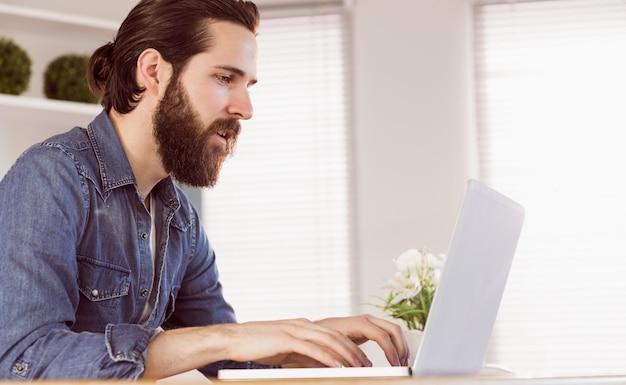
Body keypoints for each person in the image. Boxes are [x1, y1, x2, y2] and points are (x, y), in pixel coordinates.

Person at [0, 0, 408, 380]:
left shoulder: (180, 220)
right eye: (225, 78)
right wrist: (230, 337)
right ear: (154, 71)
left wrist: (300, 341)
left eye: (248, 84)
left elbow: (221, 358)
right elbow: (23, 358)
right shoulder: (52, 176)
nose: (245, 108)